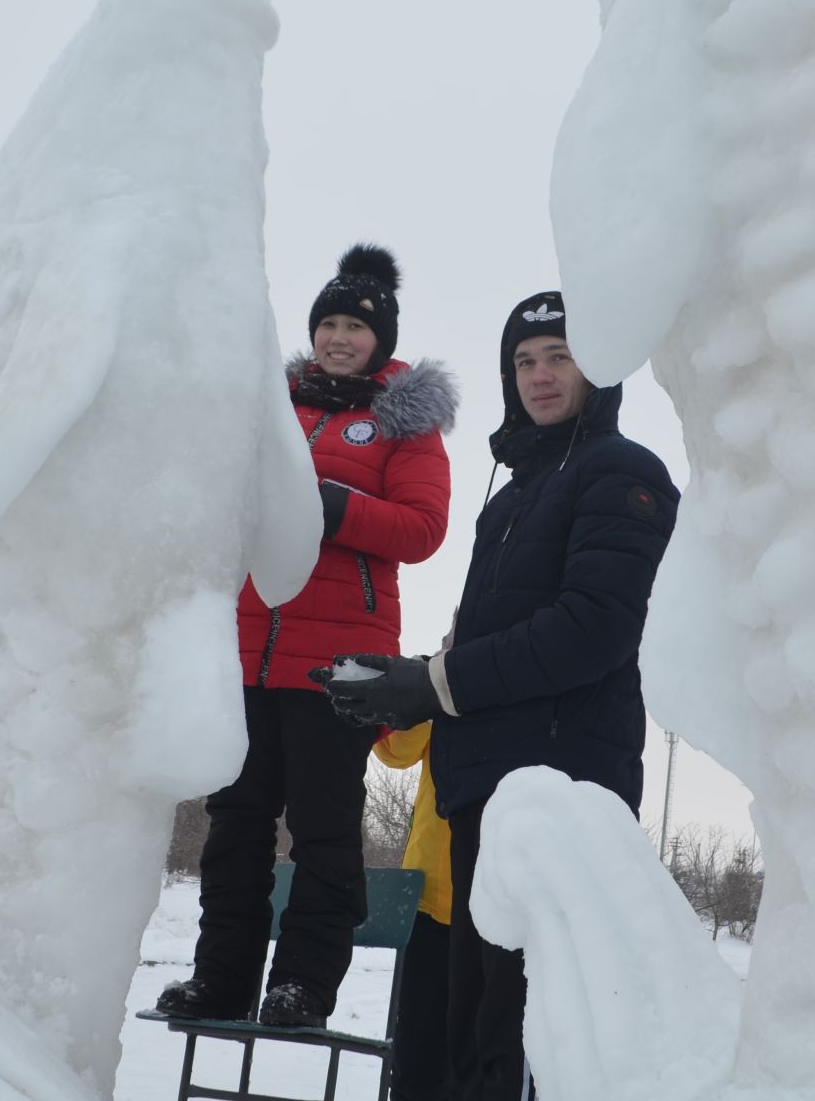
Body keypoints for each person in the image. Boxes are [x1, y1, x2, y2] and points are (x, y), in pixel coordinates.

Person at [319, 289, 678, 1099]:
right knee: (467, 1043)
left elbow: (595, 629)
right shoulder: (510, 500)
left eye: (560, 357)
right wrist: (405, 683)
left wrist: (437, 685)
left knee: (521, 1044)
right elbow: (482, 653)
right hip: (481, 795)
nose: (540, 376)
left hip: (560, 795)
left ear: (600, 366)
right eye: (524, 361)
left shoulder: (623, 474)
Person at [156, 245, 456, 1029]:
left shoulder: (405, 423)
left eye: (354, 325)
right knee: (236, 829)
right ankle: (220, 978)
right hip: (247, 649)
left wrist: (331, 504)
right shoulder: (273, 406)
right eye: (327, 322)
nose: (337, 337)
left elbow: (424, 529)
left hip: (338, 660)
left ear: (380, 339)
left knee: (323, 832)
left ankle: (304, 986)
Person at [371, 719, 454, 1101]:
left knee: (481, 1051)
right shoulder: (441, 693)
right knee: (416, 1048)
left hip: (502, 908)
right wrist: (430, 694)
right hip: (428, 897)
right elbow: (393, 752)